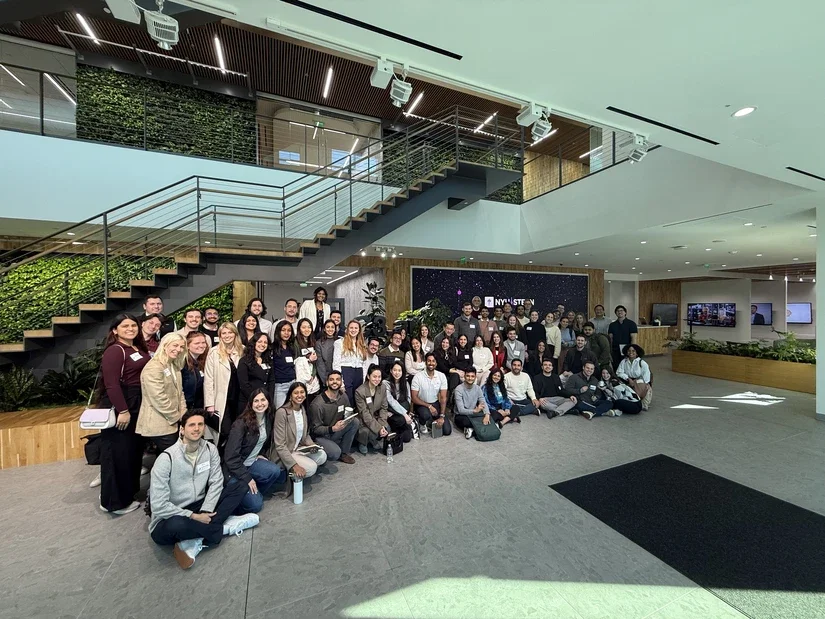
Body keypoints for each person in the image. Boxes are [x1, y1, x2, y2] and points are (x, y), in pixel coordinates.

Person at [149, 410, 258, 570]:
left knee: (240, 486)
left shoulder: (210, 449)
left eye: (200, 424)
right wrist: (194, 516)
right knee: (176, 524)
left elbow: (216, 481)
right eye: (191, 425)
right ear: (182, 429)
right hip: (171, 516)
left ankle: (195, 538)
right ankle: (223, 528)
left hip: (200, 504)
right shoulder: (166, 459)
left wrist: (206, 510)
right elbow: (158, 505)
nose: (196, 428)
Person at [97, 313, 149, 515]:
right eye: (125, 326)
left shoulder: (136, 348)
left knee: (131, 453)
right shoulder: (115, 350)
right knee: (117, 454)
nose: (130, 329)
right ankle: (114, 502)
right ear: (115, 330)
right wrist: (123, 410)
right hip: (123, 404)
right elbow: (111, 384)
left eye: (133, 325)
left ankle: (127, 494)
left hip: (137, 403)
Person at [222, 389, 287, 514]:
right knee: (255, 506)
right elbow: (230, 458)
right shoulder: (240, 424)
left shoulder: (268, 418)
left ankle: (253, 493)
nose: (260, 404)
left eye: (263, 400)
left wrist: (259, 454)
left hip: (251, 462)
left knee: (274, 471)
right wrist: (247, 479)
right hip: (235, 471)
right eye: (256, 401)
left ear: (268, 401)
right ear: (251, 404)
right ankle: (244, 496)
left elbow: (261, 442)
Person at [137, 332, 187, 458]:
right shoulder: (154, 367)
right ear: (165, 345)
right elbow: (158, 398)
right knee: (174, 458)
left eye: (181, 347)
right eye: (175, 345)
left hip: (172, 422)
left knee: (167, 460)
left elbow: (179, 392)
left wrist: (183, 414)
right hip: (159, 422)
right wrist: (176, 416)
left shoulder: (174, 365)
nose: (179, 349)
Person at [270, 382, 327, 483]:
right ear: (290, 396)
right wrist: (294, 465)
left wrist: (312, 445)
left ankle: (301, 466)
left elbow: (305, 435)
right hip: (286, 452)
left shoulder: (303, 409)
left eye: (302, 392)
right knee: (312, 468)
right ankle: (291, 475)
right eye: (296, 393)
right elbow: (280, 445)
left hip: (298, 447)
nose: (299, 395)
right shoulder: (282, 412)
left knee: (322, 456)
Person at [203, 322, 243, 445]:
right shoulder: (213, 352)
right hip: (221, 398)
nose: (227, 335)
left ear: (235, 334)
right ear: (220, 336)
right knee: (223, 431)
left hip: (239, 398)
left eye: (230, 332)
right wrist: (209, 404)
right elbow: (208, 380)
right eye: (224, 333)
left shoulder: (243, 350)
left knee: (238, 430)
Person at [308, 371, 359, 464]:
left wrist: (348, 417)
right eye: (331, 379)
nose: (335, 382)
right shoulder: (317, 404)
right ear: (327, 382)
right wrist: (333, 428)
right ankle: (322, 451)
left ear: (341, 382)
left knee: (355, 421)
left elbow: (348, 411)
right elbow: (315, 430)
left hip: (336, 430)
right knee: (335, 453)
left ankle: (344, 453)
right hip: (321, 436)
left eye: (338, 379)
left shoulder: (343, 396)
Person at [354, 364, 394, 454]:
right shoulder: (360, 391)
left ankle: (373, 439)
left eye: (379, 377)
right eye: (374, 376)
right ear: (368, 376)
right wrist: (379, 428)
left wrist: (382, 424)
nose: (377, 379)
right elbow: (365, 414)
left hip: (375, 416)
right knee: (367, 431)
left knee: (387, 428)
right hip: (363, 420)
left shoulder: (382, 387)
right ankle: (363, 442)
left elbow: (384, 408)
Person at [411, 353, 452, 435]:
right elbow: (414, 398)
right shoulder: (418, 377)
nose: (431, 363)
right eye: (429, 361)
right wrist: (429, 406)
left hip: (435, 403)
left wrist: (442, 416)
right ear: (425, 362)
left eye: (433, 361)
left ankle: (431, 420)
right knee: (425, 415)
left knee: (447, 431)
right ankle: (422, 423)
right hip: (421, 404)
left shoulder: (441, 376)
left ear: (436, 363)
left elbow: (443, 397)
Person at [333, 320, 367, 405]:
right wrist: (340, 381)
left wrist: (364, 379)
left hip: (359, 373)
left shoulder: (362, 344)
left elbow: (364, 363)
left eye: (356, 328)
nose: (353, 330)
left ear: (359, 330)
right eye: (351, 328)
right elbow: (336, 363)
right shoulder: (339, 343)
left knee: (357, 400)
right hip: (346, 372)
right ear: (347, 329)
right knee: (348, 399)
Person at [452, 367, 491, 440]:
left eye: (472, 376)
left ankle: (471, 430)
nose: (470, 378)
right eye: (468, 376)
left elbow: (483, 401)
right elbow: (461, 410)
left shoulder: (477, 388)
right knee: (465, 421)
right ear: (464, 376)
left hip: (474, 414)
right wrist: (475, 411)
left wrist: (487, 414)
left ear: (475, 377)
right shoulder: (458, 389)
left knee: (491, 415)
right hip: (462, 415)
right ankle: (479, 429)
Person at [383, 361, 419, 441]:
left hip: (398, 413)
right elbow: (391, 401)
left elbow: (408, 400)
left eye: (399, 370)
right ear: (391, 371)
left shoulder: (405, 383)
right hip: (393, 414)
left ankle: (397, 431)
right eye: (395, 370)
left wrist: (406, 412)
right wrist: (405, 414)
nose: (397, 373)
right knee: (400, 418)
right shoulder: (385, 383)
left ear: (403, 372)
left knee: (407, 438)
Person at [237, 332, 272, 405]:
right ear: (254, 343)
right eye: (260, 341)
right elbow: (244, 385)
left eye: (265, 342)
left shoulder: (268, 360)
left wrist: (269, 398)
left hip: (265, 401)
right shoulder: (244, 361)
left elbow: (271, 381)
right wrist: (255, 399)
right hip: (248, 401)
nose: (263, 344)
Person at [270, 320, 298, 410]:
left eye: (289, 330)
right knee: (281, 412)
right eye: (283, 330)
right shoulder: (272, 348)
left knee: (293, 411)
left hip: (292, 384)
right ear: (278, 331)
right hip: (279, 386)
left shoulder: (291, 347)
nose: (286, 333)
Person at [616, 344, 653, 410]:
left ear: (637, 353)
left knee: (642, 401)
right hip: (628, 381)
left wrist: (636, 383)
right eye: (629, 351)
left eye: (633, 351)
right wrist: (628, 379)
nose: (631, 353)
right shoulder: (624, 362)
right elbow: (619, 372)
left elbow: (646, 377)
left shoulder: (642, 363)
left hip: (640, 382)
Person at [294, 318, 321, 406]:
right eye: (304, 327)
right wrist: (308, 360)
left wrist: (312, 375)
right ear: (299, 329)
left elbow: (315, 361)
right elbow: (295, 361)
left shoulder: (313, 341)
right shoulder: (295, 342)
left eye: (309, 327)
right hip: (301, 377)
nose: (307, 329)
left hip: (312, 378)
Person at [181, 331, 209, 410]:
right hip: (187, 407)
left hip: (198, 407)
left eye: (203, 342)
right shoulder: (183, 364)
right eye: (197, 343)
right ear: (187, 346)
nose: (201, 346)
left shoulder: (202, 361)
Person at [315, 319, 339, 386]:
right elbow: (320, 364)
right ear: (324, 329)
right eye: (328, 327)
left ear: (335, 329)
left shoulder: (340, 342)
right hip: (325, 377)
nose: (330, 329)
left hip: (339, 376)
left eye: (332, 327)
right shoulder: (319, 343)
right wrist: (326, 380)